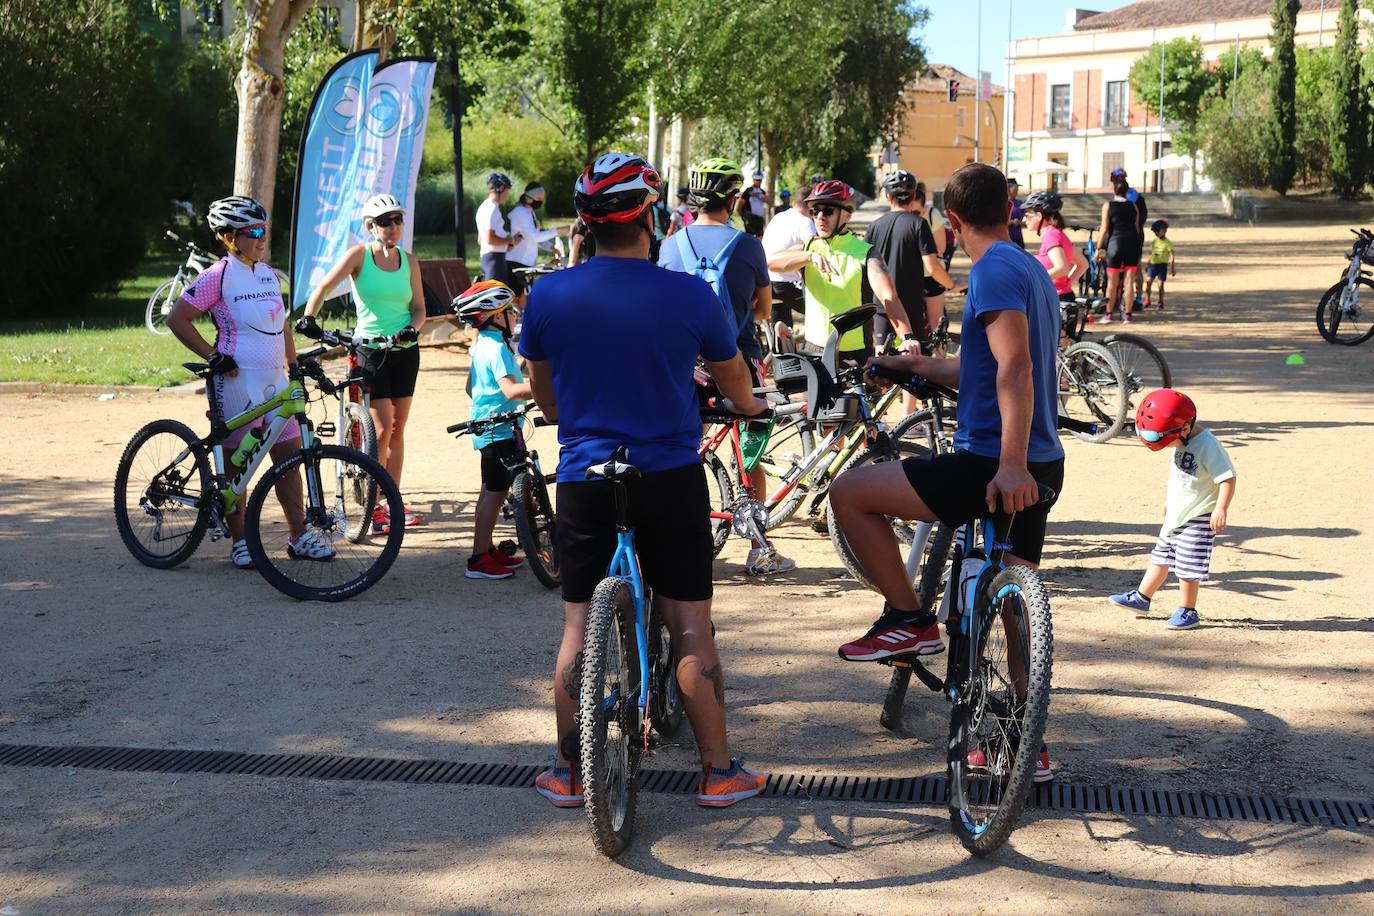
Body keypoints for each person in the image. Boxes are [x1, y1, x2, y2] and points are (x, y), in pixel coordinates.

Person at [519, 152, 769, 809]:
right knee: (690, 625)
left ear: (586, 222)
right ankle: (718, 772)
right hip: (669, 474)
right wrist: (748, 408)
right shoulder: (688, 294)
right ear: (651, 217)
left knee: (578, 627)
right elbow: (734, 383)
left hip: (584, 475)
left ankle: (568, 774)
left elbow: (549, 405)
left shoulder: (546, 294)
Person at [827, 162, 1066, 782]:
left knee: (849, 493)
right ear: (1009, 209)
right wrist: (912, 366)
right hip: (1042, 461)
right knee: (1015, 600)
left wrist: (1007, 464)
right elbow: (982, 367)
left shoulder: (989, 271)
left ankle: (907, 619)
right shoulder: (1030, 268)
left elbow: (1013, 370)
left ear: (951, 223)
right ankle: (1025, 736)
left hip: (994, 462)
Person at [167, 196, 334, 568]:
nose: (262, 238)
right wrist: (212, 355)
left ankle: (299, 536)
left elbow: (282, 324)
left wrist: (294, 363)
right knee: (235, 465)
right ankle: (240, 541)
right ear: (228, 237)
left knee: (289, 459)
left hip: (275, 382)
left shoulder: (268, 274)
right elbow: (177, 319)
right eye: (253, 232)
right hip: (237, 382)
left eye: (264, 230)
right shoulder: (218, 276)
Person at [659, 157, 794, 576]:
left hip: (684, 365)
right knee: (749, 453)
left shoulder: (669, 245)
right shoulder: (747, 245)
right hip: (739, 359)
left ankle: (675, 532)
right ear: (733, 199)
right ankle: (758, 547)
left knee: (683, 447)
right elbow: (763, 309)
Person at [298, 193, 426, 534]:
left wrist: (411, 329)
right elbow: (324, 285)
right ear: (371, 227)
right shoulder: (359, 256)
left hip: (405, 349)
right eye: (385, 222)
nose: (394, 227)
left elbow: (419, 308)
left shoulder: (409, 260)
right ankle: (376, 502)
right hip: (370, 349)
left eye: (398, 220)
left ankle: (391, 501)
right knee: (381, 430)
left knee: (398, 428)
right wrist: (309, 316)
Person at [1107, 390, 1236, 631]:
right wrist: (1170, 501)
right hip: (1177, 514)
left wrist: (1221, 508)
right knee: (1160, 558)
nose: (1168, 447)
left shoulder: (1208, 445)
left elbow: (1227, 477)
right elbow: (1181, 478)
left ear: (1185, 428)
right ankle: (1141, 598)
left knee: (1188, 566)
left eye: (1167, 441)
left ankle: (1188, 610)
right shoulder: (1180, 440)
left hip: (1199, 516)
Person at [766, 180, 915, 366]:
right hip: (814, 352)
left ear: (846, 215)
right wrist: (809, 257)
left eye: (828, 210)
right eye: (814, 211)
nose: (820, 216)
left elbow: (889, 297)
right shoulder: (810, 247)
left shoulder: (865, 252)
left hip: (854, 354)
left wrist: (907, 336)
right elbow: (771, 263)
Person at [452, 280, 533, 580]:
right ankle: (478, 559)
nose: (514, 315)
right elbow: (511, 390)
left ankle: (485, 548)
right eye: (510, 311)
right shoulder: (496, 347)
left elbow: (470, 387)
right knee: (494, 493)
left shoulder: (483, 344)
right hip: (497, 431)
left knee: (491, 491)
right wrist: (544, 389)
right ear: (497, 317)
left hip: (491, 428)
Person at [865, 170, 959, 347]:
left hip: (881, 304)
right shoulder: (919, 224)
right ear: (914, 195)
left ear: (888, 197)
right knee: (913, 359)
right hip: (910, 305)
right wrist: (951, 285)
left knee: (879, 358)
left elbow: (866, 268)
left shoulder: (874, 226)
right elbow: (932, 266)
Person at [760, 186, 815, 340]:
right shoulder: (805, 222)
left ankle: (783, 359)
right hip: (788, 282)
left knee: (781, 335)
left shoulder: (779, 217)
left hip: (768, 283)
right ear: (810, 204)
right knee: (821, 313)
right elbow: (815, 248)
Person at [1095, 175, 1144, 324]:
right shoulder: (1133, 206)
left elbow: (1104, 229)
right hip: (1131, 244)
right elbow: (1136, 228)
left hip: (1115, 244)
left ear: (1114, 190)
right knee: (1129, 281)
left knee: (1112, 282)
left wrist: (1098, 248)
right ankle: (1127, 315)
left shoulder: (1108, 205)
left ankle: (1109, 314)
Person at [914, 183, 959, 338]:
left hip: (933, 275)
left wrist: (921, 250)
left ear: (923, 205)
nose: (915, 216)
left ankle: (939, 358)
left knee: (936, 326)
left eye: (917, 212)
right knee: (914, 326)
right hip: (911, 275)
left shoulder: (933, 215)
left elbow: (940, 248)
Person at [1022, 191, 1082, 304]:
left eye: (1027, 216)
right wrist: (1066, 284)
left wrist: (1034, 280)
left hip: (1054, 298)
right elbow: (1083, 263)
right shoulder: (1058, 234)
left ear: (1039, 216)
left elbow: (1062, 268)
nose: (1024, 220)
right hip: (1062, 296)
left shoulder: (1051, 235)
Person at [506, 182, 559, 303]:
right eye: (538, 198)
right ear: (528, 197)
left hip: (526, 262)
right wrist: (558, 230)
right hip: (516, 261)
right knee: (516, 298)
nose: (540, 201)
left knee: (524, 297)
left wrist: (551, 247)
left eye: (542, 199)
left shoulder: (530, 212)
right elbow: (534, 237)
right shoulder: (520, 212)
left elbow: (534, 238)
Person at [1110, 168, 1149, 310]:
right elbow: (1142, 217)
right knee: (1134, 268)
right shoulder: (1136, 196)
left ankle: (1134, 298)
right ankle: (1136, 298)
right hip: (1134, 236)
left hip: (1122, 236)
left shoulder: (1128, 196)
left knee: (1129, 268)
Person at [475, 173, 523, 284]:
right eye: (507, 190)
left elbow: (480, 240)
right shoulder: (491, 208)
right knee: (497, 296)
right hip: (494, 259)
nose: (507, 194)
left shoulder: (486, 207)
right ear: (501, 188)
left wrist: (506, 246)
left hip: (492, 258)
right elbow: (490, 239)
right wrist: (511, 240)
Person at [1145, 219, 1176, 309]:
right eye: (1155, 232)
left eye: (1158, 231)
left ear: (1164, 230)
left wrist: (1172, 268)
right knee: (1148, 282)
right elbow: (1152, 253)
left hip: (1162, 266)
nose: (1156, 233)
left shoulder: (1168, 243)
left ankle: (1160, 300)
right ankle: (1147, 300)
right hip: (1153, 265)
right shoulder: (1154, 241)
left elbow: (1172, 256)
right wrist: (1148, 264)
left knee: (1160, 284)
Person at [1007, 178, 1026, 249]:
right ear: (1008, 189)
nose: (1017, 190)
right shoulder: (1001, 203)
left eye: (1017, 188)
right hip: (1005, 238)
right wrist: (1010, 222)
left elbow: (1026, 221)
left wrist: (1019, 223)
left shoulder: (1020, 204)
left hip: (1018, 239)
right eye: (1015, 188)